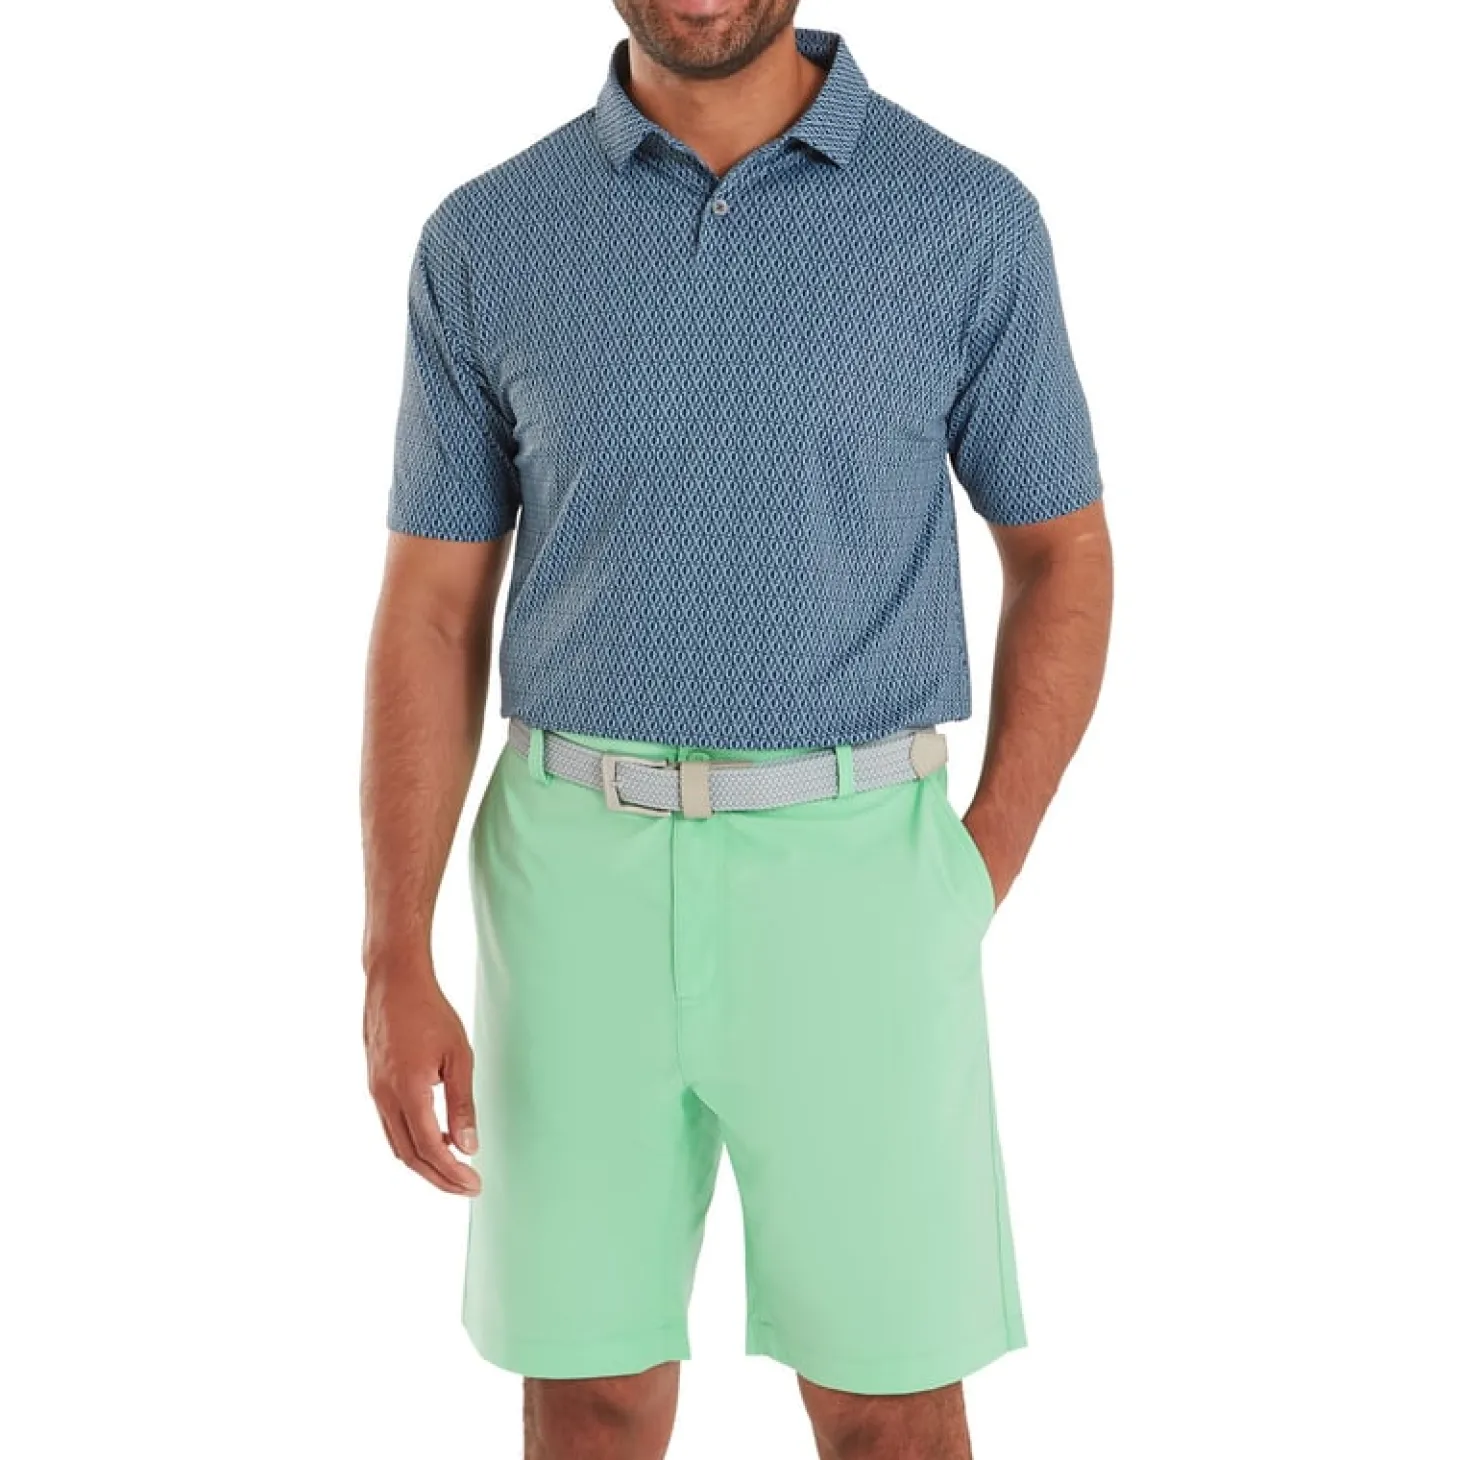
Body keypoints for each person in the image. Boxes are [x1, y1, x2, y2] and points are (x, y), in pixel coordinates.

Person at [360, 4, 1113, 1456]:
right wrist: (395, 948)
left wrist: (976, 866)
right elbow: (434, 609)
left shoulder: (966, 220)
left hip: (857, 876)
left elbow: (1062, 551)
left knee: (890, 1400)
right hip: (569, 878)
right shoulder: (489, 237)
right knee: (588, 1391)